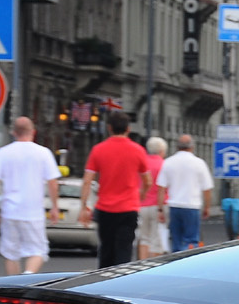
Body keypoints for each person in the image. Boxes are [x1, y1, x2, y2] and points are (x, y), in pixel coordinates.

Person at [0, 116, 61, 275]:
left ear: (13, 132)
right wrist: (55, 206)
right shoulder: (43, 153)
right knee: (38, 251)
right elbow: (52, 182)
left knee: (10, 253)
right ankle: (28, 276)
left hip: (10, 211)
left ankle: (14, 287)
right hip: (33, 211)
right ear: (33, 132)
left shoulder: (3, 152)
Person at [77, 111, 151, 267]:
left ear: (109, 128)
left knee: (106, 249)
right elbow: (148, 180)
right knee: (124, 250)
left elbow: (87, 181)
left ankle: (102, 283)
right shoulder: (138, 150)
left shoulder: (98, 149)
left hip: (105, 208)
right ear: (128, 129)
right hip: (128, 208)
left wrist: (84, 206)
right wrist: (142, 194)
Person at [157, 134, 214, 252]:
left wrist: (160, 209)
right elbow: (207, 189)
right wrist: (207, 207)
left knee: (175, 240)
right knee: (191, 241)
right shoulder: (199, 163)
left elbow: (161, 188)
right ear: (192, 147)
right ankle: (189, 264)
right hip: (191, 206)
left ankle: (177, 263)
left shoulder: (168, 162)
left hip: (174, 206)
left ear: (177, 147)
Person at [137, 136, 168, 260]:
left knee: (144, 237)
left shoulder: (142, 163)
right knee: (157, 239)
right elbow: (165, 187)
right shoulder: (164, 165)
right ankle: (153, 266)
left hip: (142, 204)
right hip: (158, 205)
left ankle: (141, 265)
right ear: (162, 151)